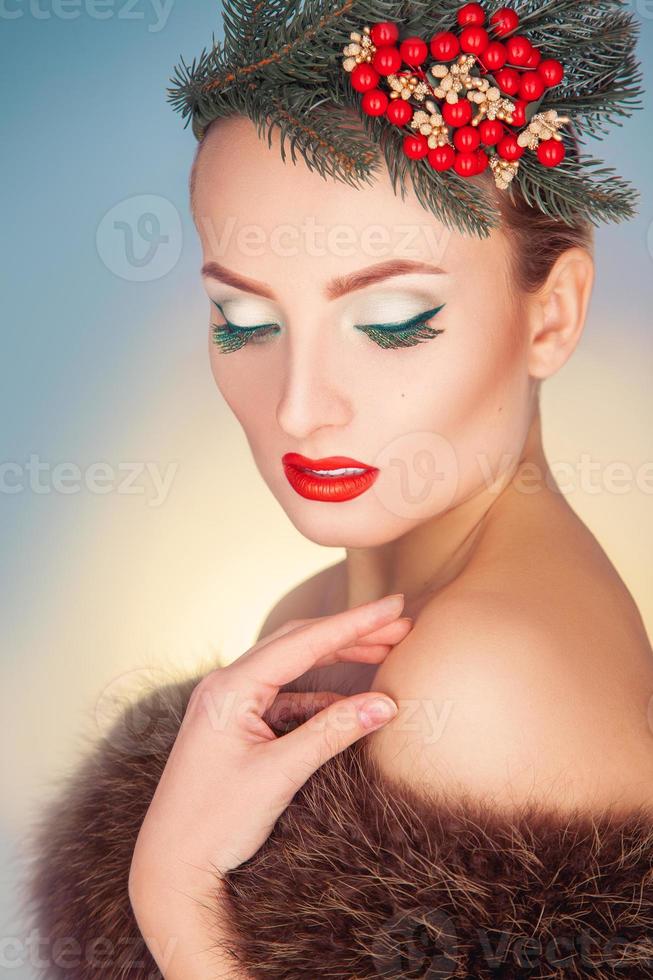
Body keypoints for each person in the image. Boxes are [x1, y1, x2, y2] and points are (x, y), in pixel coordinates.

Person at [26, 1, 653, 977]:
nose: (301, 406)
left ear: (551, 312)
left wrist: (175, 889)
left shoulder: (490, 675)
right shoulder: (318, 613)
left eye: (394, 321)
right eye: (241, 319)